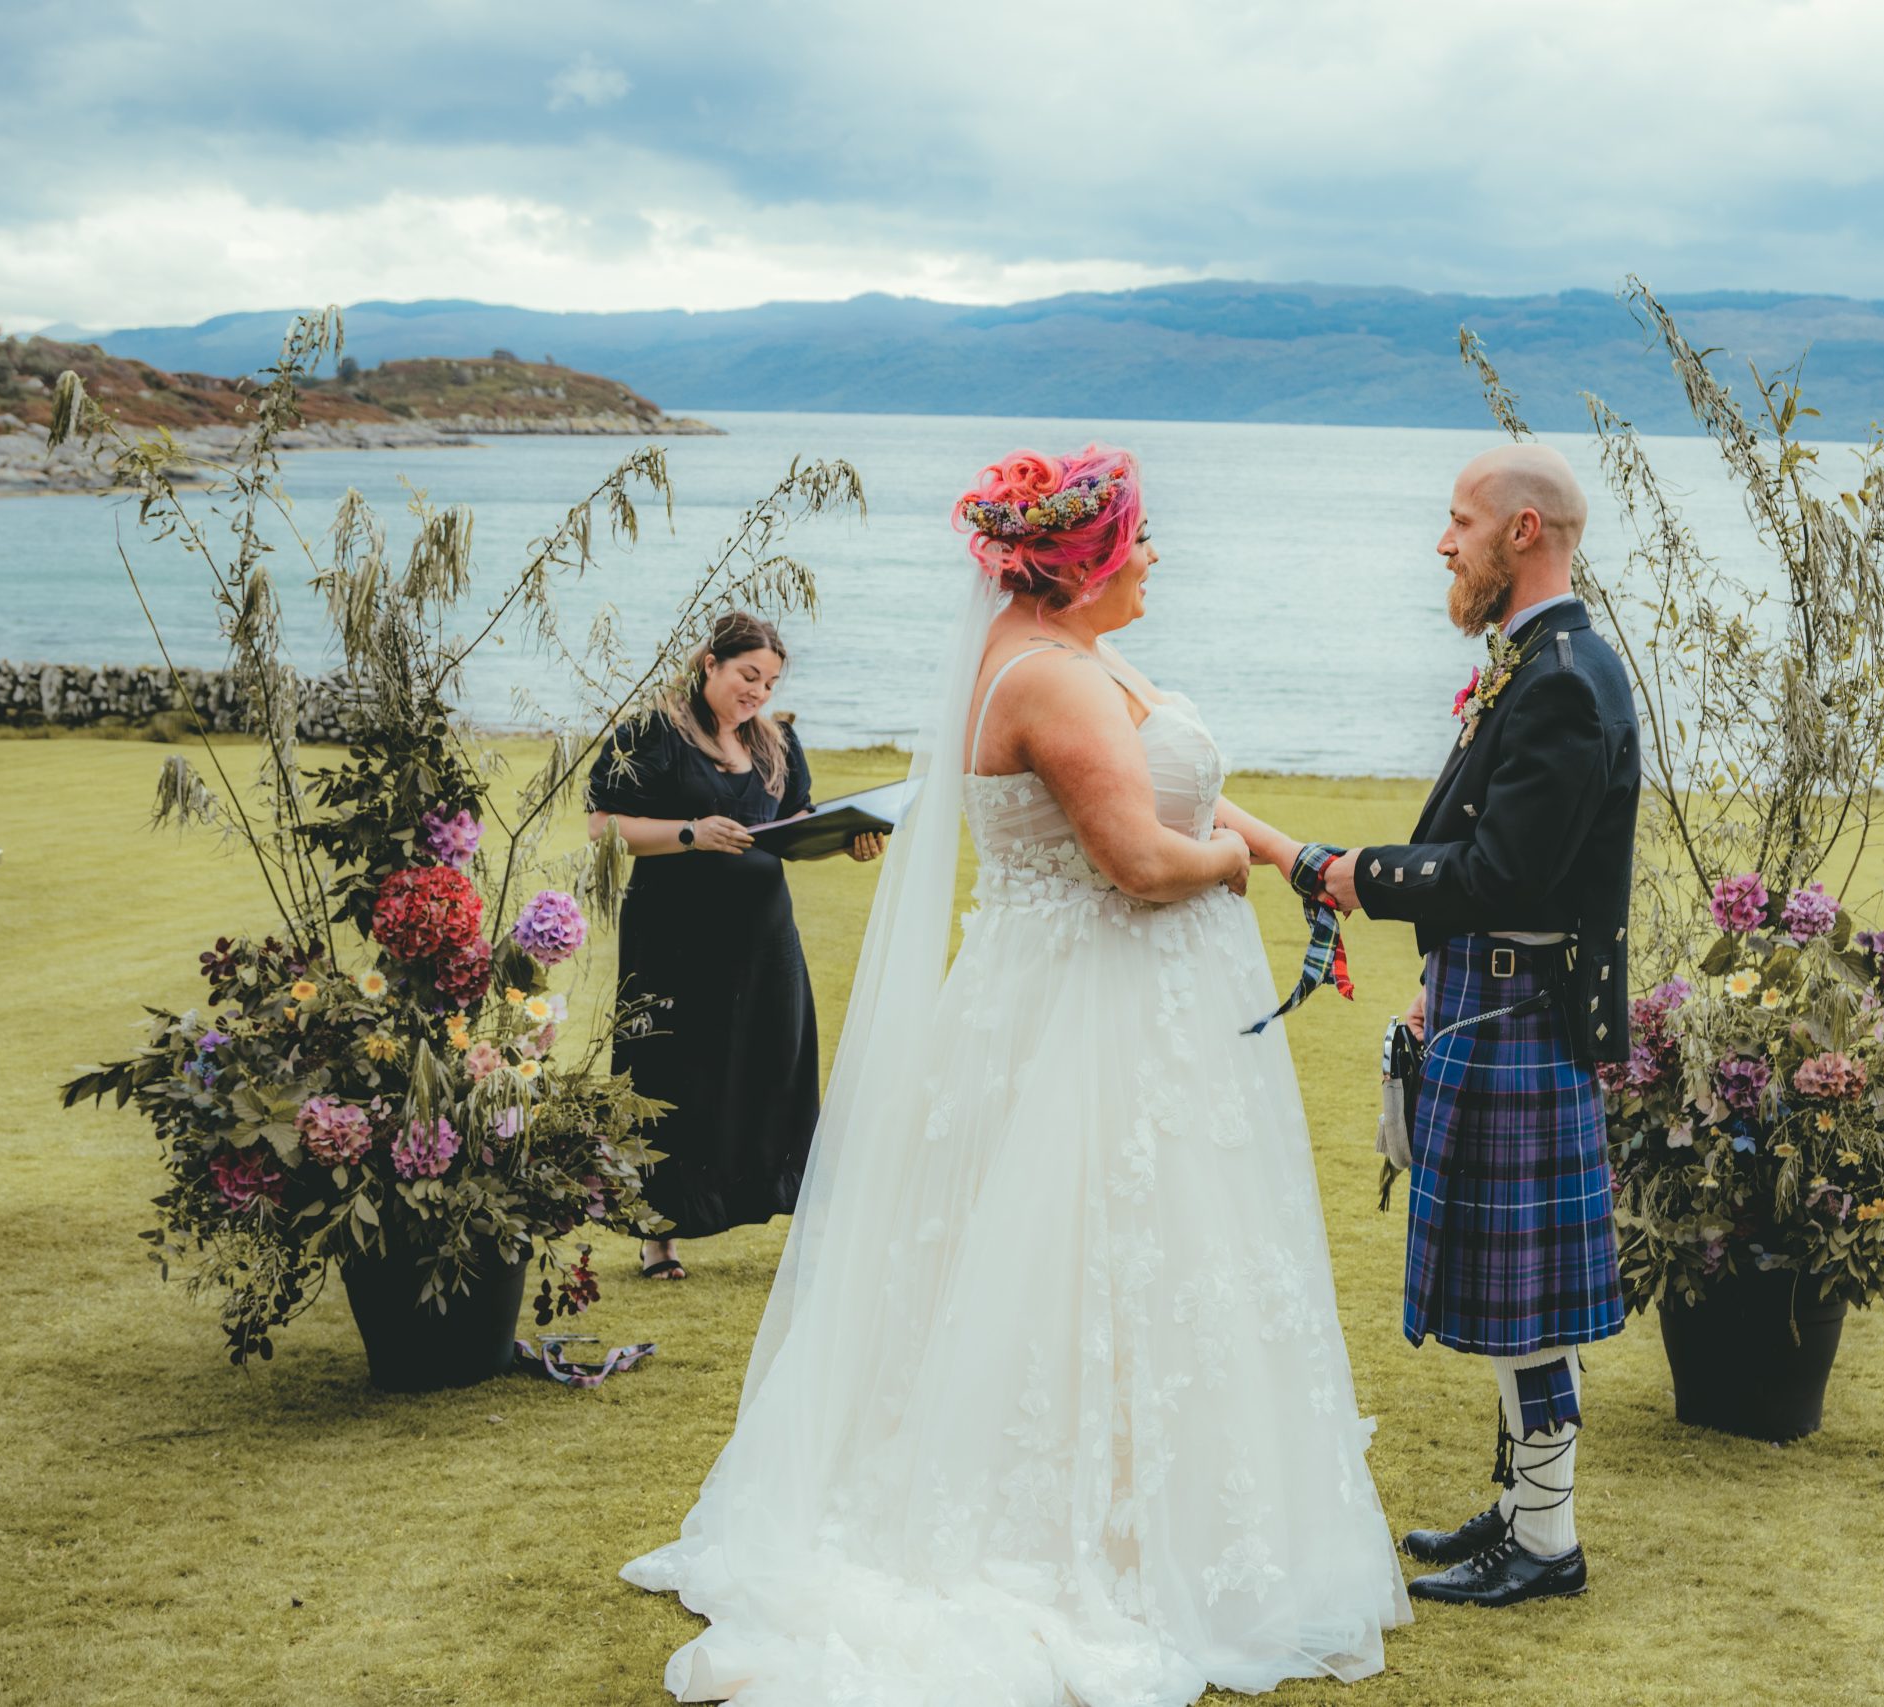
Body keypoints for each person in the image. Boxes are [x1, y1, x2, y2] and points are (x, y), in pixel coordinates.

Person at [621, 447, 1408, 1704]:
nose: (1155, 556)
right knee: (1079, 1241)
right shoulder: (1047, 680)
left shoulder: (1081, 662)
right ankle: (1076, 1532)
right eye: (1143, 540)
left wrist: (1303, 856)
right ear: (1089, 559)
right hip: (1087, 1011)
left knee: (1134, 1249)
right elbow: (1143, 861)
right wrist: (1232, 872)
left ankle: (1149, 1493)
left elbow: (1189, 792)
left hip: (1106, 1001)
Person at [1233, 444, 1640, 1609]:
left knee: (1524, 1308)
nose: (1442, 542)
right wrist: (1434, 972)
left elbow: (1501, 869)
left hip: (1517, 1011)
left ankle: (1547, 1544)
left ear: (1524, 531)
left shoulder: (1562, 675)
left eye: (1458, 522)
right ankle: (1520, 1511)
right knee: (1514, 1296)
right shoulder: (1539, 661)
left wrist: (1349, 872)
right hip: (1485, 992)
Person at [585, 612, 880, 1281]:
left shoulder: (776, 741)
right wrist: (690, 832)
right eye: (749, 675)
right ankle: (659, 1236)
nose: (758, 693)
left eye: (770, 682)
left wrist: (847, 838)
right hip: (675, 936)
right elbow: (605, 825)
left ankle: (797, 1223)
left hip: (764, 937)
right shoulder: (652, 732)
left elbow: (793, 824)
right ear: (709, 662)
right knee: (671, 1074)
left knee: (777, 1069)